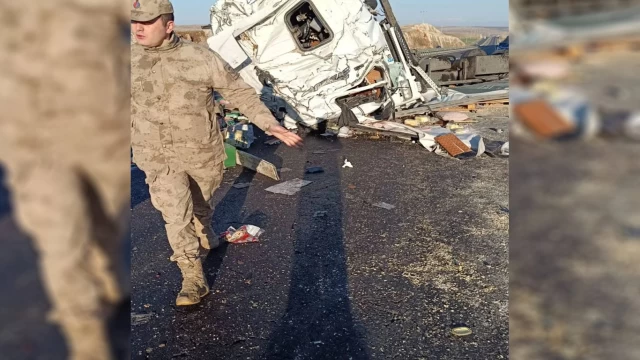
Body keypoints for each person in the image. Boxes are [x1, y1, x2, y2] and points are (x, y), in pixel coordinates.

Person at [131, 0, 303, 306]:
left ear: (169, 25)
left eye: (146, 22)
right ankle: (192, 277)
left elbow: (238, 92)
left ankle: (205, 226)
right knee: (175, 214)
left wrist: (269, 124)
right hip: (156, 156)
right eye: (134, 22)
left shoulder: (201, 58)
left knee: (202, 201)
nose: (137, 28)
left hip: (201, 153)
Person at [0, 1, 131, 359]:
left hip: (103, 132)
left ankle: (110, 279)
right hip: (31, 140)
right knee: (60, 241)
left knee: (108, 221)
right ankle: (86, 337)